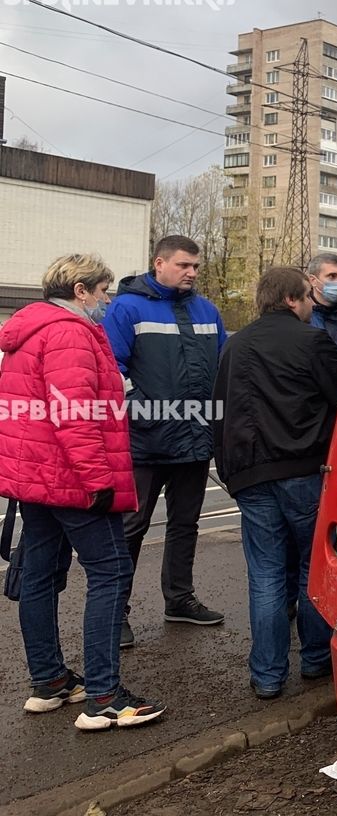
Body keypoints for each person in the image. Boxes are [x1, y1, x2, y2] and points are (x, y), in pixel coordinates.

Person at [0, 255, 164, 729]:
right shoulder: (69, 332)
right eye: (103, 290)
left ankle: (50, 682)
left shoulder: (26, 332)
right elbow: (75, 414)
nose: (108, 299)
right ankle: (105, 697)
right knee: (111, 572)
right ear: (80, 290)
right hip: (71, 477)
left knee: (40, 575)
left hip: (34, 477)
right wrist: (98, 480)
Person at [213, 267, 337, 699]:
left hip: (251, 473)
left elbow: (222, 411)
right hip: (305, 471)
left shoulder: (235, 345)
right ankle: (314, 659)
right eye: (308, 297)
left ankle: (268, 676)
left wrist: (230, 471)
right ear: (292, 300)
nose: (313, 304)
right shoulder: (312, 341)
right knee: (313, 568)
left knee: (266, 574)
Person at [102, 235, 227, 648]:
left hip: (195, 439)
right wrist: (144, 411)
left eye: (195, 266)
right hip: (145, 442)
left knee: (185, 524)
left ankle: (179, 600)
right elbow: (110, 371)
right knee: (131, 528)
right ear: (159, 263)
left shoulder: (207, 310)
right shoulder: (126, 307)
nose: (192, 272)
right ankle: (114, 612)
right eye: (184, 265)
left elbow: (223, 370)